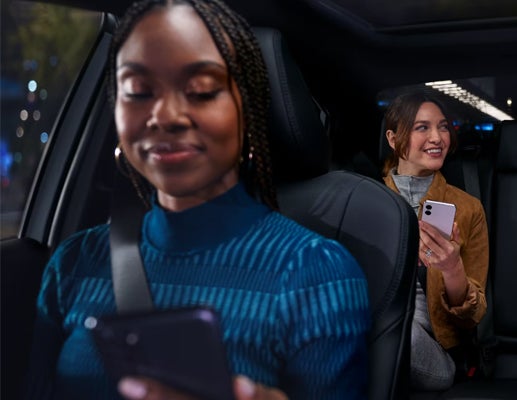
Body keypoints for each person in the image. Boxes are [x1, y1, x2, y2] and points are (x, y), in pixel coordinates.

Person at [24, 0, 370, 399]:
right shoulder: (72, 263)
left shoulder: (317, 274)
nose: (165, 115)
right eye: (138, 90)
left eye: (202, 90)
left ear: (248, 111)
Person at [382, 92, 489, 391]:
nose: (437, 137)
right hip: (375, 335)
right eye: (422, 127)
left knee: (406, 337)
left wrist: (452, 267)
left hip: (431, 350)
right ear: (393, 138)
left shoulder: (467, 209)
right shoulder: (368, 201)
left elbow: (474, 314)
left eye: (443, 127)